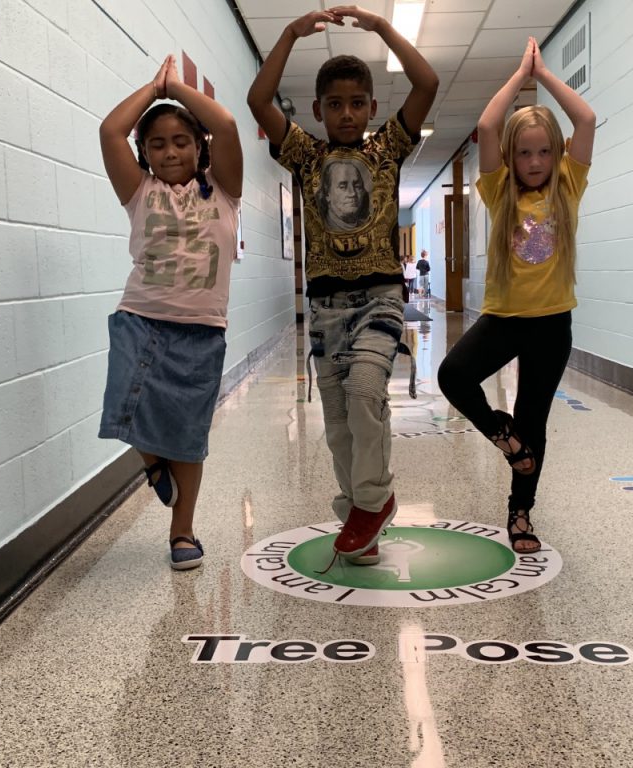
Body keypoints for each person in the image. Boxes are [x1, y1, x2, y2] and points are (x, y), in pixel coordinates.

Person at [248, 6, 438, 564]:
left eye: (358, 103)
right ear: (318, 110)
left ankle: (372, 502)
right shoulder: (306, 156)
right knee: (337, 423)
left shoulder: (386, 149)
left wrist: (382, 29)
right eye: (336, 104)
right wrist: (287, 35)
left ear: (373, 108)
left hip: (380, 297)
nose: (348, 113)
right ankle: (361, 519)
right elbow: (260, 102)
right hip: (326, 306)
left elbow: (426, 82)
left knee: (362, 393)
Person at [437, 36, 595, 554]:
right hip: (504, 319)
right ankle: (504, 435)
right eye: (524, 152)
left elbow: (587, 121)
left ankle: (520, 513)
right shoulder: (497, 190)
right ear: (511, 156)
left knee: (536, 418)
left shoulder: (567, 186)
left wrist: (545, 76)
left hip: (553, 323)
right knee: (452, 375)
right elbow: (485, 126)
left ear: (556, 154)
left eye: (544, 150)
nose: (535, 161)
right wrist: (518, 76)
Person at [98, 54, 242, 570]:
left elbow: (225, 124)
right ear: (145, 152)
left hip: (202, 331)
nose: (170, 151)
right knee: (123, 405)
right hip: (139, 317)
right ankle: (152, 462)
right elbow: (109, 130)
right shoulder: (139, 192)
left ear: (199, 146)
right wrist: (151, 88)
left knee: (188, 435)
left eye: (181, 140)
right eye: (157, 143)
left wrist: (177, 90)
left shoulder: (224, 192)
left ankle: (183, 533)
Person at [318, 158, 371, 231]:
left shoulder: (368, 227)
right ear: (327, 194)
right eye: (342, 187)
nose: (352, 193)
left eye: (357, 186)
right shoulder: (320, 228)